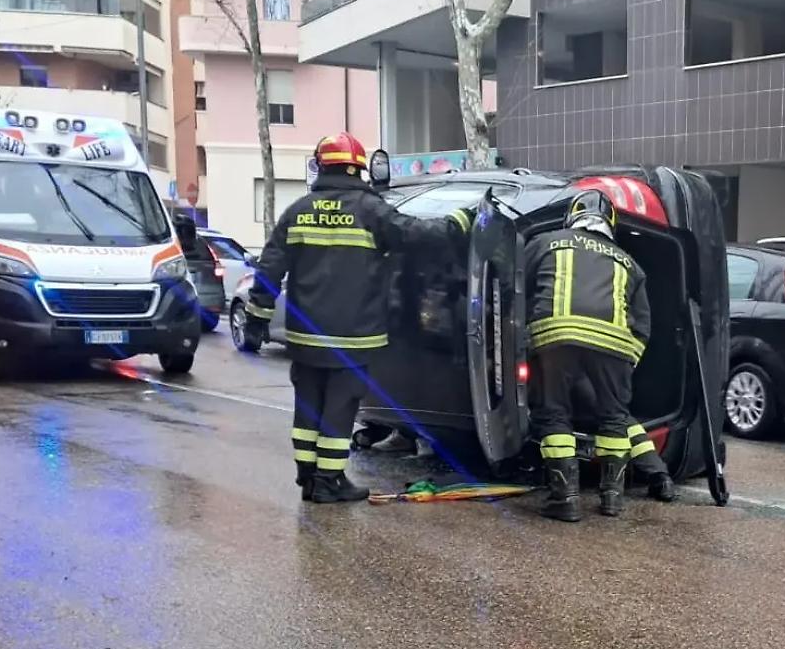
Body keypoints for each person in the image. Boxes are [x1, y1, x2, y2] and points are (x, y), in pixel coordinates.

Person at [246, 132, 471, 504]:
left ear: (322, 166)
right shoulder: (370, 210)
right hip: (352, 336)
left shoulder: (298, 211)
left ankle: (308, 476)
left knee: (308, 407)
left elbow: (269, 267)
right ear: (358, 169)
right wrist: (459, 223)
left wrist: (257, 316)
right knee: (340, 405)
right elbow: (415, 234)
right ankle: (329, 480)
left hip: (306, 337)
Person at [524, 189, 650, 522]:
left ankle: (565, 499)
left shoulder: (544, 242)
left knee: (554, 414)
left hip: (555, 337)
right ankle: (612, 500)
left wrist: (520, 341)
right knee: (614, 418)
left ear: (572, 216)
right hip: (615, 346)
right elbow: (642, 325)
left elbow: (516, 288)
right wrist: (627, 364)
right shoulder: (631, 264)